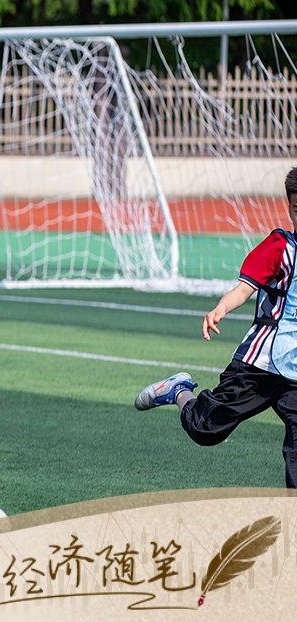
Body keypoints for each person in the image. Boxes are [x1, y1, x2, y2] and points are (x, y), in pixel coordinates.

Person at [134, 165, 297, 488]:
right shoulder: (280, 247)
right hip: (261, 363)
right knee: (205, 428)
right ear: (289, 208)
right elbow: (244, 289)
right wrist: (221, 308)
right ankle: (178, 390)